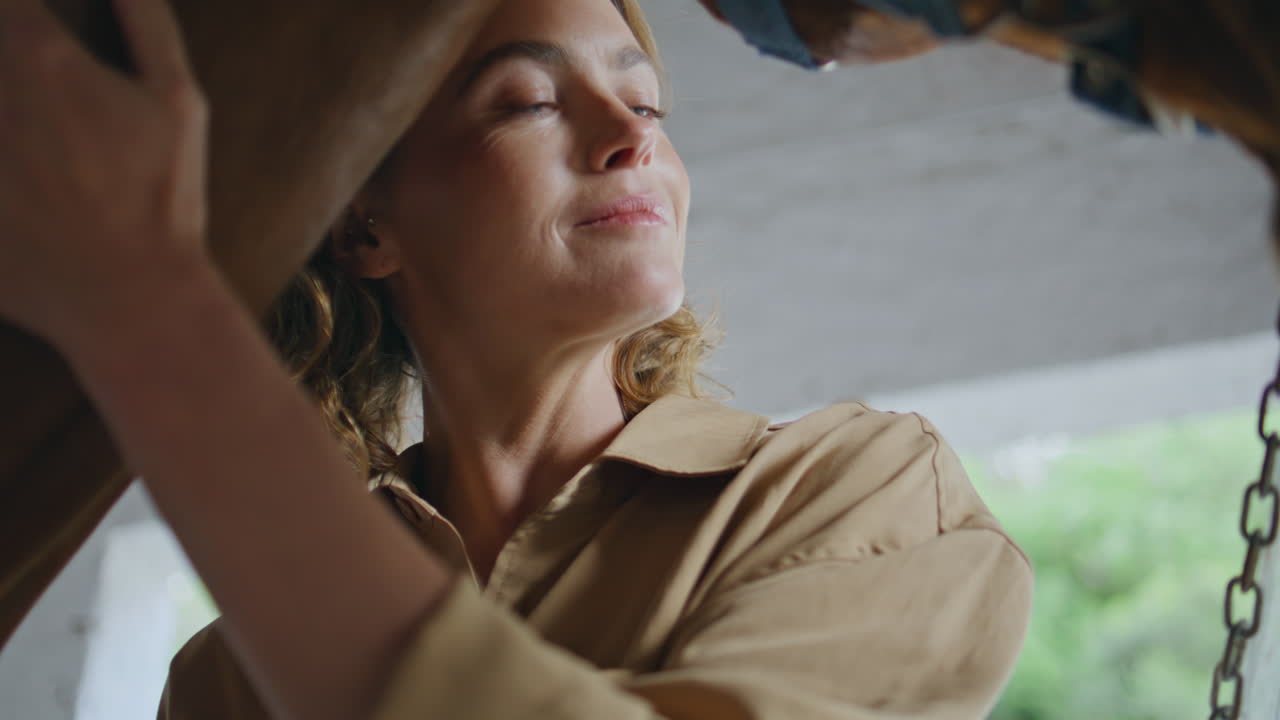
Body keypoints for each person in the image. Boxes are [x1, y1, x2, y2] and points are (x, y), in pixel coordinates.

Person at [0, 0, 1032, 718]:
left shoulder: (857, 491)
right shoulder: (227, 680)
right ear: (363, 226)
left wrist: (145, 305)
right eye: (529, 98)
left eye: (648, 103)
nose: (630, 135)